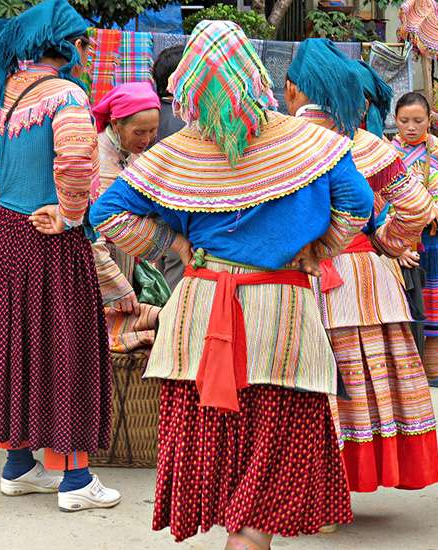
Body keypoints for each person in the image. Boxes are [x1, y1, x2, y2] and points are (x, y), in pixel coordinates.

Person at [89, 21, 374, 548]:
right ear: (256, 77)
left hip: (200, 308)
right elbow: (360, 206)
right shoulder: (313, 143)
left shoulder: (174, 153)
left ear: (190, 83)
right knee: (276, 435)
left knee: (216, 436)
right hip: (281, 313)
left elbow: (107, 214)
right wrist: (318, 248)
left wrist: (172, 247)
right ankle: (250, 537)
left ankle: (239, 535)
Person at [0, 0, 119, 511]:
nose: (84, 51)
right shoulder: (66, 96)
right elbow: (78, 159)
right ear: (61, 45)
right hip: (49, 240)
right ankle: (76, 478)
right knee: (68, 345)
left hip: (2, 234)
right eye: (80, 42)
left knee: (14, 344)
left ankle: (19, 467)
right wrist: (69, 214)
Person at [285, 38, 438, 493]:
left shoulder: (277, 138)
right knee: (361, 381)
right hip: (362, 280)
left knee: (298, 380)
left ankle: (306, 488)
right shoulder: (368, 145)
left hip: (291, 277)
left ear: (294, 88)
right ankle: (348, 482)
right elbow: (416, 208)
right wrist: (386, 242)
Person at [392, 92, 438, 391]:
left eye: (418, 121)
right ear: (395, 120)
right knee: (405, 310)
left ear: (429, 121)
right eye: (404, 120)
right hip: (400, 242)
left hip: (437, 241)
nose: (411, 127)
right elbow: (380, 196)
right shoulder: (386, 151)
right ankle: (406, 376)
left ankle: (434, 371)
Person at [89, 81, 163, 352]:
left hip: (126, 262)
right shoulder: (94, 156)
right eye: (139, 132)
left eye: (153, 131)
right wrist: (115, 283)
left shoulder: (133, 157)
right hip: (98, 265)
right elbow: (91, 232)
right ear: (117, 124)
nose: (146, 139)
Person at [150, 45, 188, 290]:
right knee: (173, 288)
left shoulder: (149, 115)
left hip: (146, 216)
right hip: (177, 218)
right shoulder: (186, 121)